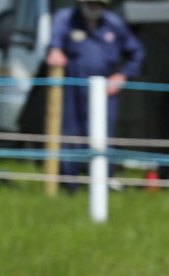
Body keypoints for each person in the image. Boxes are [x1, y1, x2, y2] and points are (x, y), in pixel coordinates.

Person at [45, 0, 143, 189]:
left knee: (102, 138)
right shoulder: (65, 18)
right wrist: (55, 50)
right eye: (90, 3)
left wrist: (122, 76)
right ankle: (69, 187)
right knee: (70, 136)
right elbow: (54, 43)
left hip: (104, 92)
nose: (94, 7)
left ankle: (101, 186)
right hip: (71, 89)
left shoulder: (114, 23)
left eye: (99, 4)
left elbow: (136, 52)